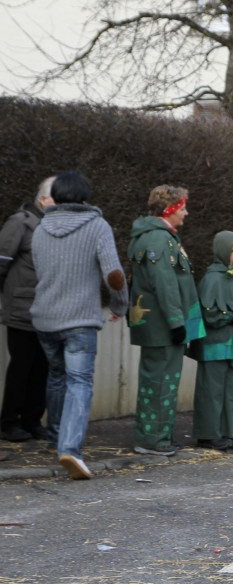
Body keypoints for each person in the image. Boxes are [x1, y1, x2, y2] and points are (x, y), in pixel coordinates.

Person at [30, 171, 128, 479]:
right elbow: (114, 273)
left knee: (57, 376)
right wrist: (119, 304)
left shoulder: (40, 228)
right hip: (79, 321)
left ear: (55, 197)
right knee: (79, 382)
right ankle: (70, 450)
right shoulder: (97, 226)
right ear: (85, 197)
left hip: (45, 318)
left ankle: (56, 437)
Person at [129, 185, 204, 456]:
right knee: (161, 382)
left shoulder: (160, 237)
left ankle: (159, 436)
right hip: (162, 326)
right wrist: (176, 322)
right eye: (182, 208)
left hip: (160, 325)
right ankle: (153, 441)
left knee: (160, 381)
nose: (186, 213)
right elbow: (165, 284)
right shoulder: (158, 240)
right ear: (169, 210)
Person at [188, 231, 233, 450]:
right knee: (212, 391)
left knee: (230, 391)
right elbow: (210, 315)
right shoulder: (212, 279)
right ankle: (208, 434)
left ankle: (227, 432)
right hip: (214, 345)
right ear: (225, 251)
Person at [0, 176, 54, 442]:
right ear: (43, 199)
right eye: (56, 198)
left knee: (42, 367)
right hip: (21, 309)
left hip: (46, 310)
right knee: (22, 366)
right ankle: (9, 422)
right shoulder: (20, 222)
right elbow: (1, 261)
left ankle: (33, 421)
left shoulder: (49, 225)